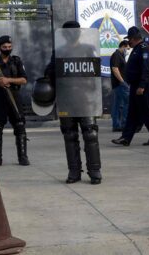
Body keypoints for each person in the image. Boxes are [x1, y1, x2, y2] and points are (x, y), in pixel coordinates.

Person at [45, 21, 103, 185]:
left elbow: (95, 75)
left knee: (90, 134)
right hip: (67, 98)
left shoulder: (88, 49)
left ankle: (95, 171)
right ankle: (74, 171)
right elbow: (49, 72)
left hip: (85, 99)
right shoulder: (60, 51)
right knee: (70, 135)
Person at [0, 35, 29, 167]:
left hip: (15, 98)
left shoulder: (17, 61)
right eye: (4, 47)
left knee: (20, 126)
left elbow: (24, 79)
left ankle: (23, 157)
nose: (7, 49)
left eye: (9, 47)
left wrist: (9, 80)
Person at [112, 27, 149, 146]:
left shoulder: (144, 49)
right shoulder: (137, 49)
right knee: (132, 113)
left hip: (143, 86)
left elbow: (146, 68)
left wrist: (142, 86)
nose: (129, 42)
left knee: (147, 112)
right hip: (135, 86)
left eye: (129, 39)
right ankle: (126, 138)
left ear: (134, 39)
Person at [109, 39, 130, 133]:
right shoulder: (116, 55)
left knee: (118, 105)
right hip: (120, 84)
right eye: (127, 48)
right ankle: (123, 124)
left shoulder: (120, 55)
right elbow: (115, 69)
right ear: (123, 46)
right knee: (126, 103)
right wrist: (122, 82)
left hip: (119, 84)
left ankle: (117, 125)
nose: (128, 50)